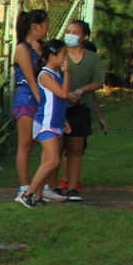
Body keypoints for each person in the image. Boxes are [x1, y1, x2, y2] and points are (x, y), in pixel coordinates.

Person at [51, 20, 108, 202]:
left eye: (75, 32)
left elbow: (98, 82)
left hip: (80, 107)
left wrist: (82, 90)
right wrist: (65, 94)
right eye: (68, 31)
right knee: (56, 147)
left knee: (75, 148)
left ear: (84, 36)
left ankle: (73, 187)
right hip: (59, 106)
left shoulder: (92, 59)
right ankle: (51, 186)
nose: (70, 35)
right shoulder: (59, 55)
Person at [22, 39, 72, 207]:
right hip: (46, 124)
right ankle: (27, 194)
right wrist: (68, 72)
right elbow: (63, 94)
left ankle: (37, 196)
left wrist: (64, 121)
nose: (65, 58)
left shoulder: (56, 74)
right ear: (52, 56)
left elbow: (58, 101)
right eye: (63, 55)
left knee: (46, 163)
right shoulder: (45, 75)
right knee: (53, 161)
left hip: (55, 123)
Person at [10, 10, 50, 200]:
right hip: (27, 98)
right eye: (46, 24)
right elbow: (31, 79)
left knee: (47, 142)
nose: (47, 29)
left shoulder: (40, 48)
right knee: (25, 143)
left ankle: (41, 187)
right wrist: (43, 103)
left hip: (40, 97)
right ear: (36, 26)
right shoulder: (22, 49)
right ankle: (24, 187)